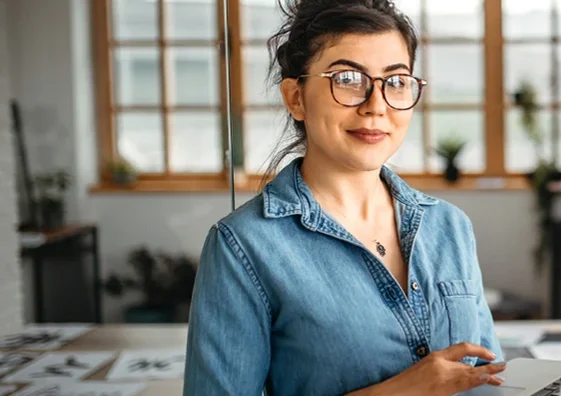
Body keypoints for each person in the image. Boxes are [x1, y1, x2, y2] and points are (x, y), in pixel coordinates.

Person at [182, 1, 506, 395]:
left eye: (396, 80)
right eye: (348, 78)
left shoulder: (450, 226)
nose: (376, 105)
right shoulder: (243, 248)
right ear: (295, 98)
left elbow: (491, 378)